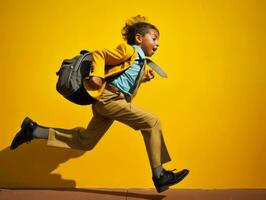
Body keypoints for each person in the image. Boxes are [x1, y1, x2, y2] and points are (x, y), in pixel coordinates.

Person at [10, 15, 189, 193]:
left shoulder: (139, 62)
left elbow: (122, 79)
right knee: (152, 122)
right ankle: (159, 175)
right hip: (109, 99)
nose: (157, 44)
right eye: (154, 38)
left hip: (109, 101)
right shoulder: (129, 51)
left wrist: (142, 78)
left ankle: (34, 130)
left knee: (86, 142)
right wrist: (97, 75)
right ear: (139, 38)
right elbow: (100, 54)